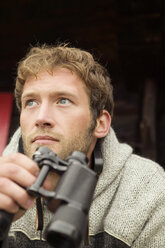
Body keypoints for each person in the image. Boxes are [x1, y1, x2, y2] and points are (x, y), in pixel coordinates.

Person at [1, 44, 165, 248]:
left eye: (63, 100)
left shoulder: (146, 190)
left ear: (100, 123)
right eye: (31, 103)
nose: (41, 118)